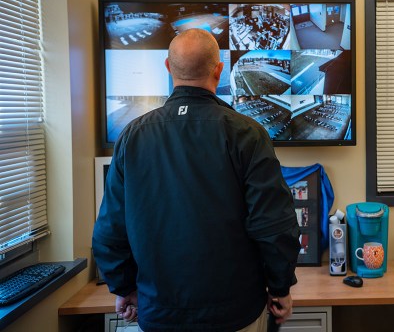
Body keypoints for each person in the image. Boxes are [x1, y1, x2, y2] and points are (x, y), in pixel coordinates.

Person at [93, 28, 300, 331]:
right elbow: (274, 225)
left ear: (168, 67)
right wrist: (280, 288)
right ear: (219, 70)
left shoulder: (132, 136)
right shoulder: (248, 134)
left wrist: (124, 288)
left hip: (159, 312)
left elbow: (110, 231)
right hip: (235, 314)